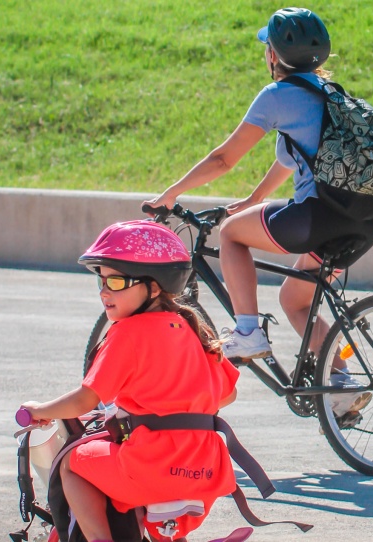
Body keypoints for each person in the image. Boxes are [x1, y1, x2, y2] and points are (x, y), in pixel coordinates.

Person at [143, 7, 373, 415]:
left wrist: (172, 192)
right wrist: (254, 200)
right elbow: (290, 160)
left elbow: (223, 160)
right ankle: (342, 381)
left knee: (233, 234)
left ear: (274, 55)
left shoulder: (277, 96)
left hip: (318, 217)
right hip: (367, 220)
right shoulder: (332, 96)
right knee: (296, 299)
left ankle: (248, 330)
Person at [20, 220, 239, 542]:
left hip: (151, 466)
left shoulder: (128, 332)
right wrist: (174, 406)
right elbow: (228, 395)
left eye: (118, 281)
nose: (105, 291)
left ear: (153, 287)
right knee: (155, 514)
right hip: (205, 469)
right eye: (102, 281)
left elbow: (85, 400)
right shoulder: (192, 328)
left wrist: (40, 411)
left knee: (70, 462)